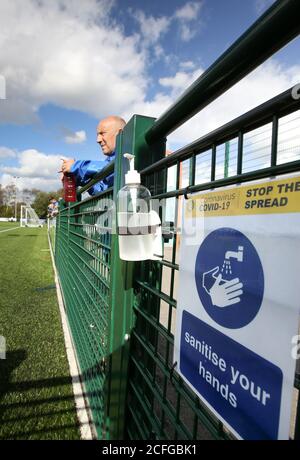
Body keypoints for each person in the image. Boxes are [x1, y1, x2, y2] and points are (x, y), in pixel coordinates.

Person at [61, 115, 126, 196]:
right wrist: (76, 177)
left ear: (120, 133)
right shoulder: (110, 159)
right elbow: (101, 189)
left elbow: (118, 165)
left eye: (102, 133)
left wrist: (75, 166)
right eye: (98, 134)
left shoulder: (129, 152)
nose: (98, 140)